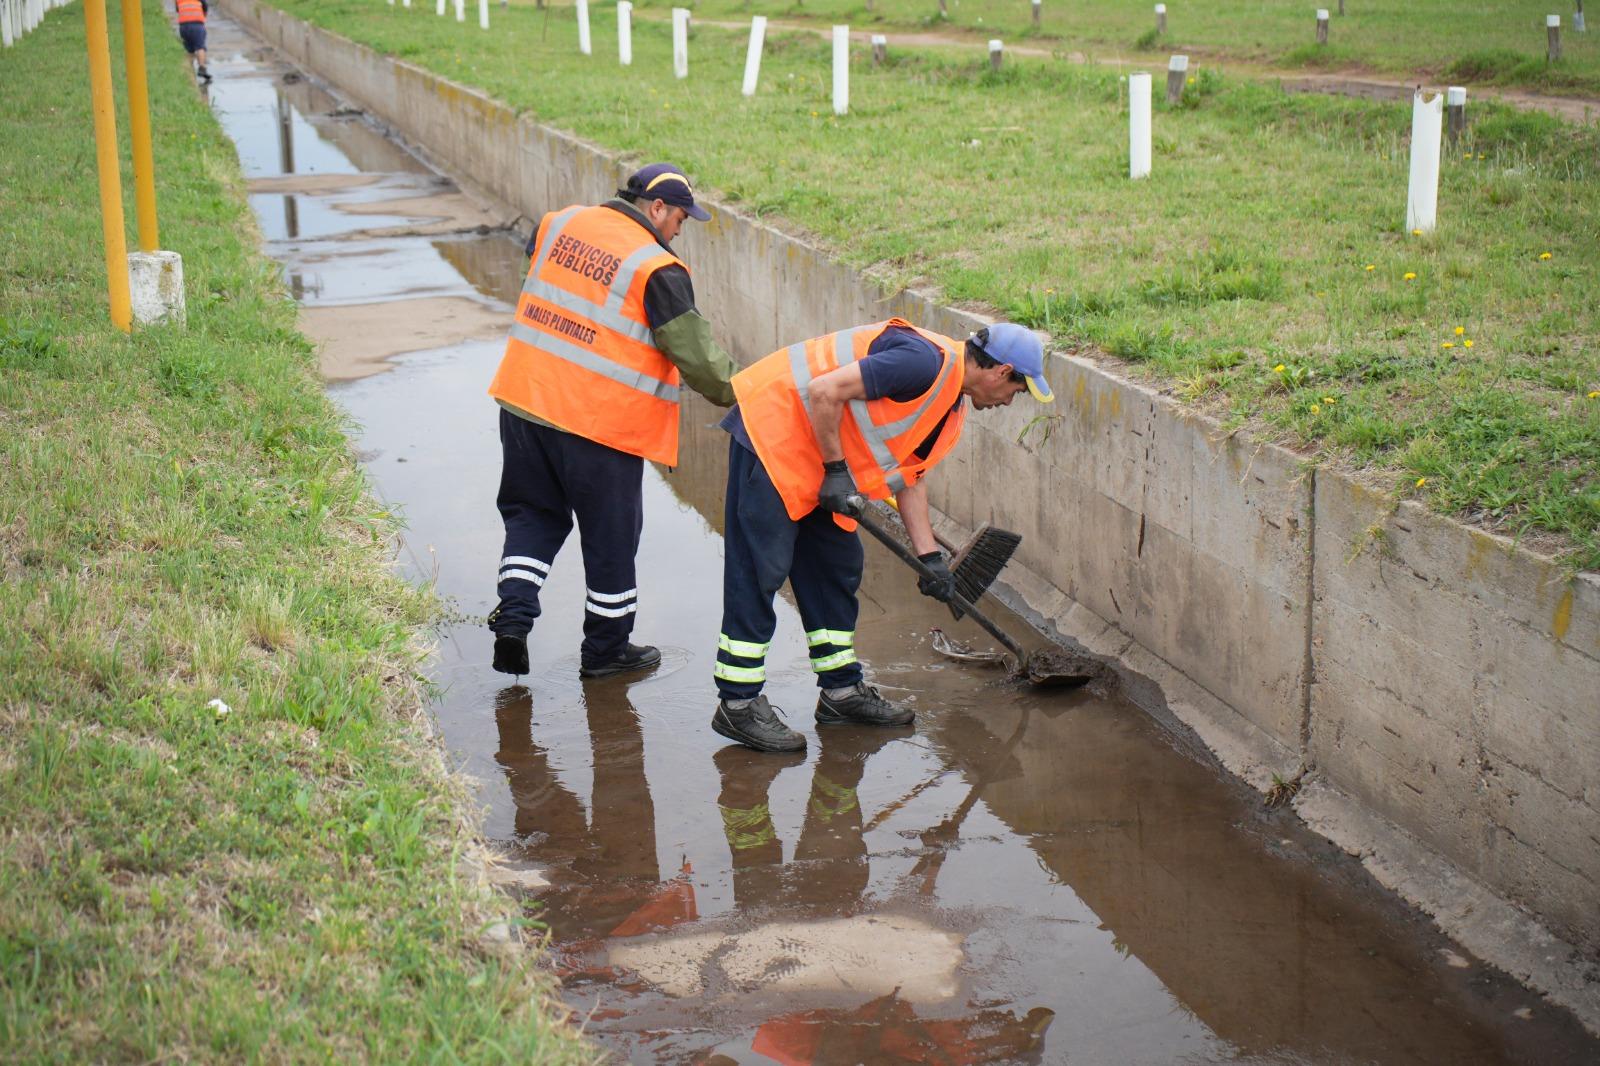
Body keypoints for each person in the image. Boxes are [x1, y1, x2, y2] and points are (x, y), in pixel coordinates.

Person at [710, 318, 1053, 752]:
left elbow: (910, 476)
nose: (1009, 401)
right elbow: (823, 391)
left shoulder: (950, 404)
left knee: (836, 569)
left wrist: (929, 557)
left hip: (821, 459)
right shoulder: (921, 363)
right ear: (1001, 372)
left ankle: (841, 693)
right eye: (1016, 392)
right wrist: (837, 473)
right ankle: (737, 705)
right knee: (762, 570)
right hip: (775, 438)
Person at [487, 163, 737, 679]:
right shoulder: (658, 269)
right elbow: (702, 364)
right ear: (656, 207)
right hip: (598, 425)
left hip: (524, 401)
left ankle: (513, 616)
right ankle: (605, 652)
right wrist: (752, 393)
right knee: (611, 537)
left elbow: (544, 288)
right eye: (680, 218)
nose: (680, 230)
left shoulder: (559, 223)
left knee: (533, 516)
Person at [175, 0, 211, 84]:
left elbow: (178, 10)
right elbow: (205, 8)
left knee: (188, 49)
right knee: (200, 47)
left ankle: (189, 72)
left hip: (183, 27)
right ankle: (202, 68)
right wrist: (203, 18)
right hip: (197, 25)